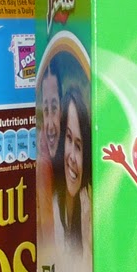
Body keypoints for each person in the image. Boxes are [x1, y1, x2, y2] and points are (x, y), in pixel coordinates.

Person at [40, 55, 92, 253]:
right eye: (45, 110)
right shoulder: (52, 191)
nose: (50, 124)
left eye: (78, 145)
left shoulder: (89, 209)